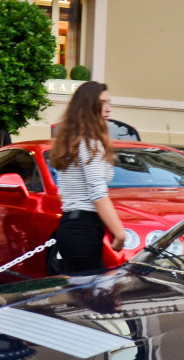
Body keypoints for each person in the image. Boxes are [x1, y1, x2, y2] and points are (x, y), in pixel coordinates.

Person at [49, 80, 128, 275]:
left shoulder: (74, 142)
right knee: (91, 298)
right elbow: (98, 193)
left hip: (73, 226)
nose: (108, 109)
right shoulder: (89, 143)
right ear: (87, 105)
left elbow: (62, 192)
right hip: (83, 229)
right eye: (102, 103)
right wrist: (120, 234)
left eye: (109, 102)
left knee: (82, 297)